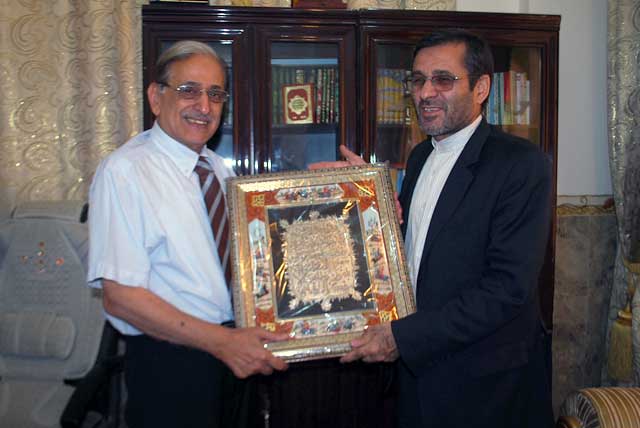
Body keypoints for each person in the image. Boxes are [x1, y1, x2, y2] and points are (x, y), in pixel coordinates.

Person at [318, 29, 554, 427]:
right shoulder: (419, 156)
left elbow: (506, 289)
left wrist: (401, 337)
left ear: (481, 88)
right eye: (418, 80)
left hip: (485, 389)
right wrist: (369, 203)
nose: (425, 93)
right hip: (416, 376)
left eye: (443, 79)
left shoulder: (520, 163)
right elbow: (418, 253)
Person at [87, 41, 288, 428]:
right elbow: (121, 297)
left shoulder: (219, 170)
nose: (205, 106)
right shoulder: (125, 172)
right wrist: (221, 342)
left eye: (215, 94)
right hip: (172, 364)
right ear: (155, 97)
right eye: (189, 90)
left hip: (235, 355)